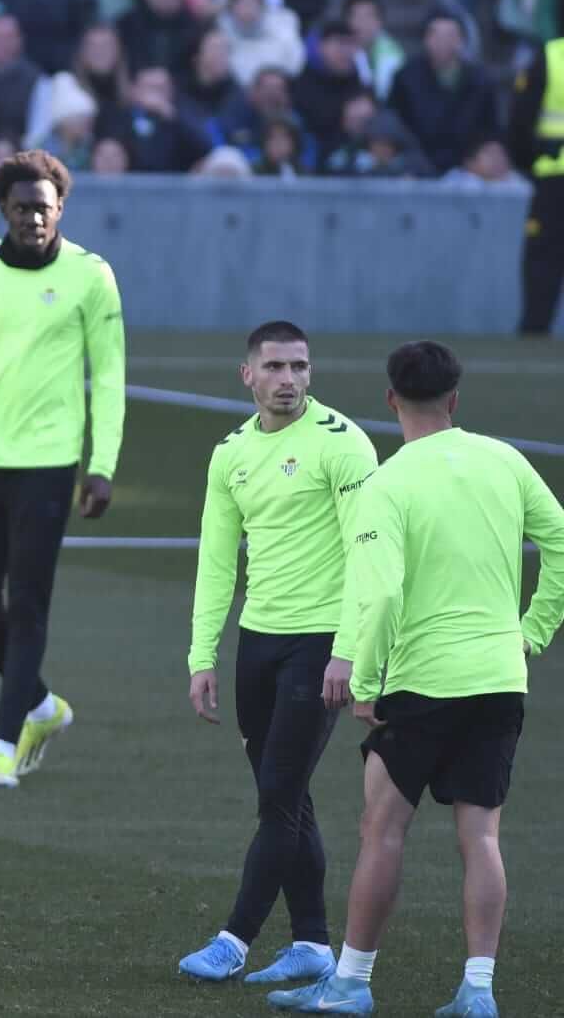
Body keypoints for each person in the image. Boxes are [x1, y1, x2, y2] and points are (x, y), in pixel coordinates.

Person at [275, 342, 564, 1017]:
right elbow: (561, 541)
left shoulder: (390, 482)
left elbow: (377, 592)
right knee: (482, 836)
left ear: (391, 400)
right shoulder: (506, 460)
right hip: (499, 676)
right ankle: (479, 990)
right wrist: (533, 630)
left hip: (422, 681)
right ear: (456, 400)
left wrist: (364, 678)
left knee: (383, 827)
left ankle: (350, 981)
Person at [176, 322, 378, 987]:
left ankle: (235, 938)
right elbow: (214, 562)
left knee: (278, 797)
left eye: (299, 366)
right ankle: (314, 944)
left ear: (311, 372)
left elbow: (368, 554)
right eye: (275, 366)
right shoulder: (227, 453)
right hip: (257, 646)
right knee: (287, 796)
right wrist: (202, 655)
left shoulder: (343, 444)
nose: (288, 379)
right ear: (248, 375)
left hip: (321, 645)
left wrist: (350, 652)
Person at [0, 149, 125, 788]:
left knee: (29, 604)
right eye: (21, 208)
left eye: (43, 207)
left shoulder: (91, 276)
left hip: (49, 463)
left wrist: (101, 465)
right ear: (3, 210)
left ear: (61, 208)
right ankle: (41, 703)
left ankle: (4, 743)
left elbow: (112, 377)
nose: (33, 218)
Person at [505, 40, 564, 334]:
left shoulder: (551, 55)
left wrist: (529, 161)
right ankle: (535, 329)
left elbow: (520, 119)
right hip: (553, 177)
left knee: (543, 258)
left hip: (553, 177)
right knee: (544, 258)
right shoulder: (550, 56)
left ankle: (535, 330)